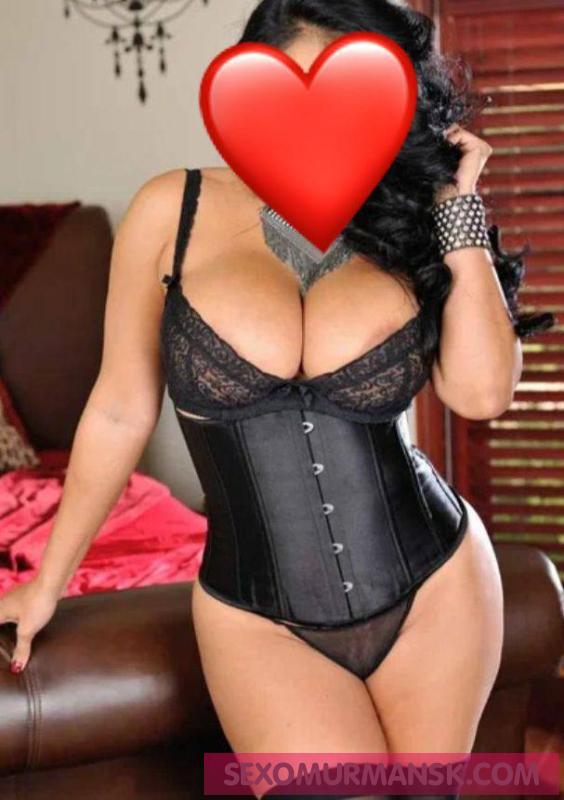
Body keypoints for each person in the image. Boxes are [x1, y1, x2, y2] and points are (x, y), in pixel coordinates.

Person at [0, 1, 555, 798]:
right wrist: (49, 580)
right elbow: (120, 406)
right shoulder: (172, 211)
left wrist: (453, 206)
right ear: (249, 89)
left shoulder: (410, 215)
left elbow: (479, 392)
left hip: (436, 587)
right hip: (259, 618)